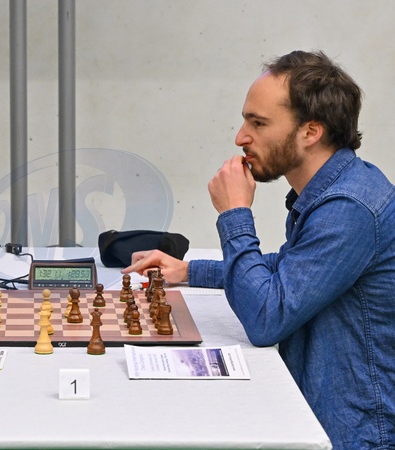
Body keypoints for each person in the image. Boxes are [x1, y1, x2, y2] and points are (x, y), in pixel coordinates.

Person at [123, 50, 395, 449]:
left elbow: (267, 317)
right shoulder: (336, 190)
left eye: (258, 123)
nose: (240, 137)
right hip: (323, 420)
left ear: (310, 132)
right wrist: (188, 271)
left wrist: (234, 213)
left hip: (354, 435)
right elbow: (291, 270)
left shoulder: (348, 207)